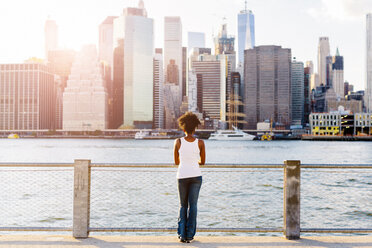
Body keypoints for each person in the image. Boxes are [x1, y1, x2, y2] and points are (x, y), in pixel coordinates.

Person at [174, 112, 206, 243]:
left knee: (183, 205)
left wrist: (185, 160)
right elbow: (202, 162)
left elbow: (176, 162)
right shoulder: (200, 143)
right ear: (195, 129)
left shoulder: (178, 142)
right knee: (193, 206)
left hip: (182, 176)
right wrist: (194, 161)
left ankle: (182, 235)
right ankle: (190, 235)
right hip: (196, 176)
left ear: (183, 128)